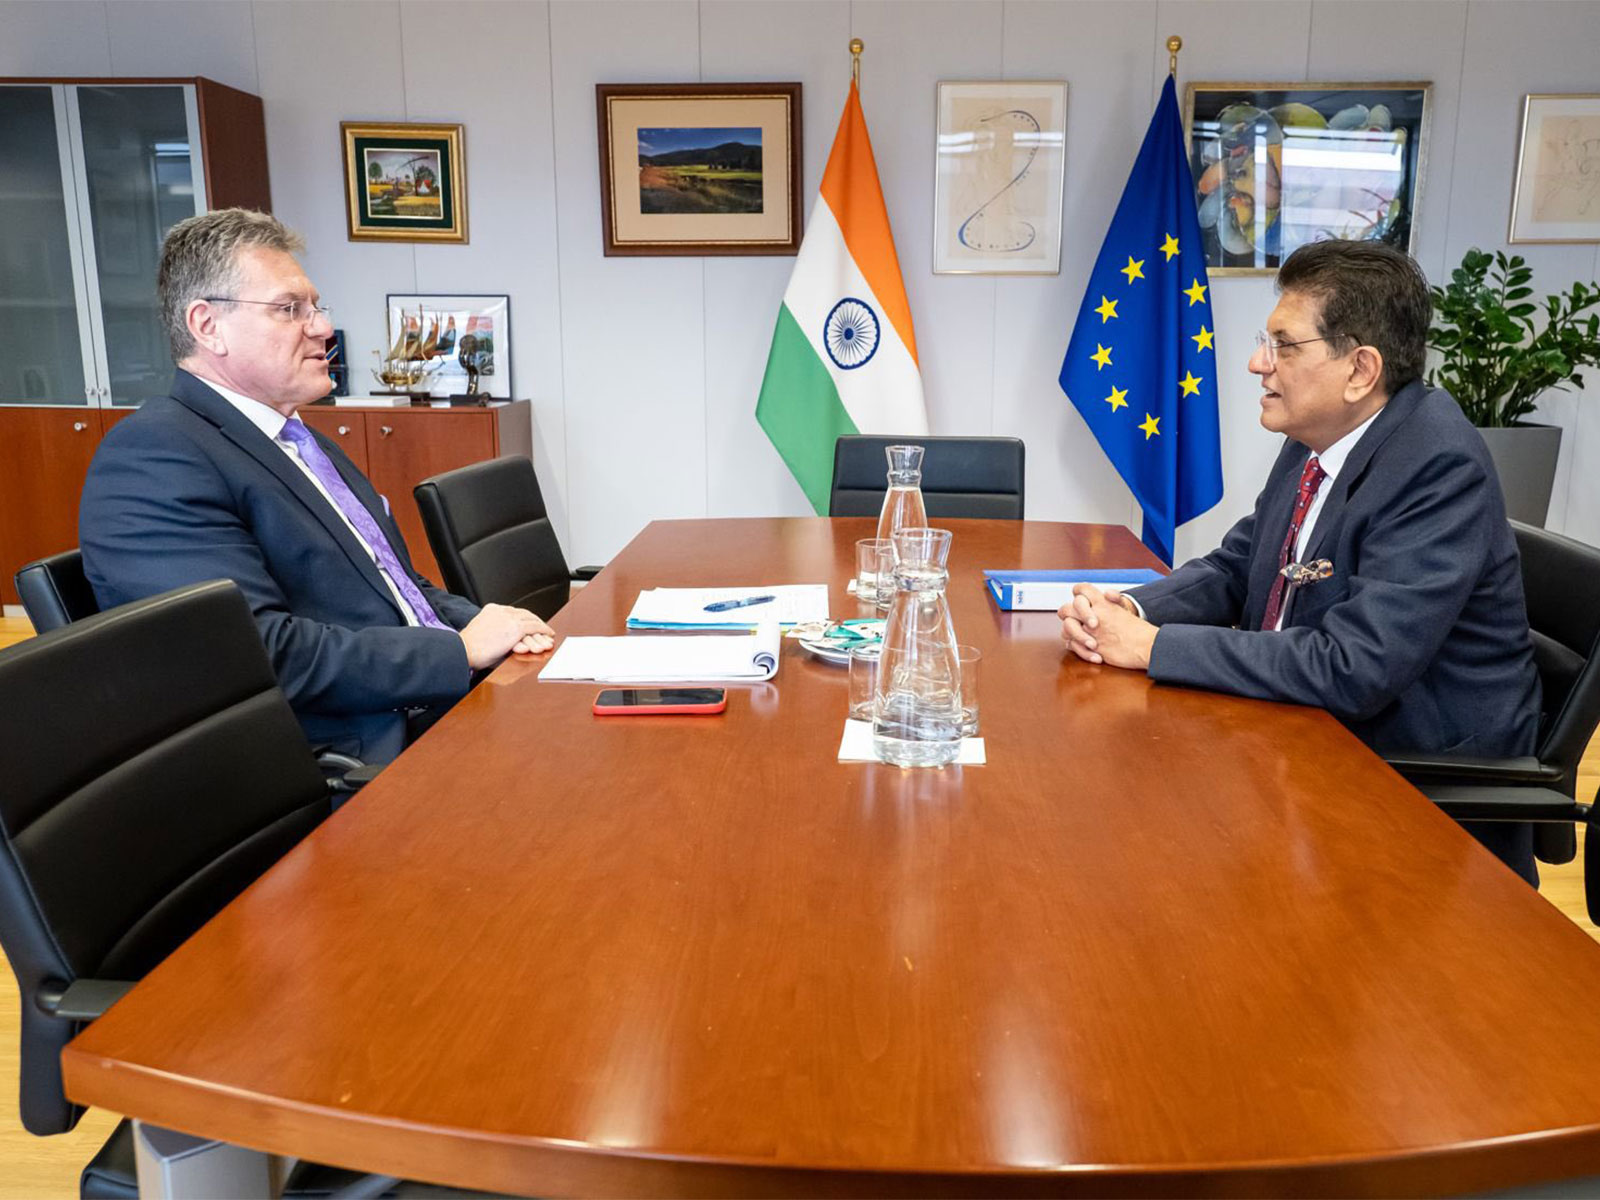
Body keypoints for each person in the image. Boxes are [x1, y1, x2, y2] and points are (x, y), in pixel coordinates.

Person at [1059, 239, 1542, 882]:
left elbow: (1354, 666)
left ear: (1360, 370)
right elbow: (1240, 566)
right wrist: (1131, 608)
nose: (1259, 362)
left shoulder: (1436, 467)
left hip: (1410, 797)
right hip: (1303, 738)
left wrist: (1151, 647)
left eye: (1285, 346)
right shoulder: (1319, 437)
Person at [80, 209, 555, 764]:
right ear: (208, 325)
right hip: (349, 761)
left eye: (315, 307)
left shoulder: (300, 439)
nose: (324, 328)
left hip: (430, 706)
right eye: (289, 309)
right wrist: (456, 652)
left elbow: (392, 585)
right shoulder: (156, 457)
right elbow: (255, 654)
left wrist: (480, 621)